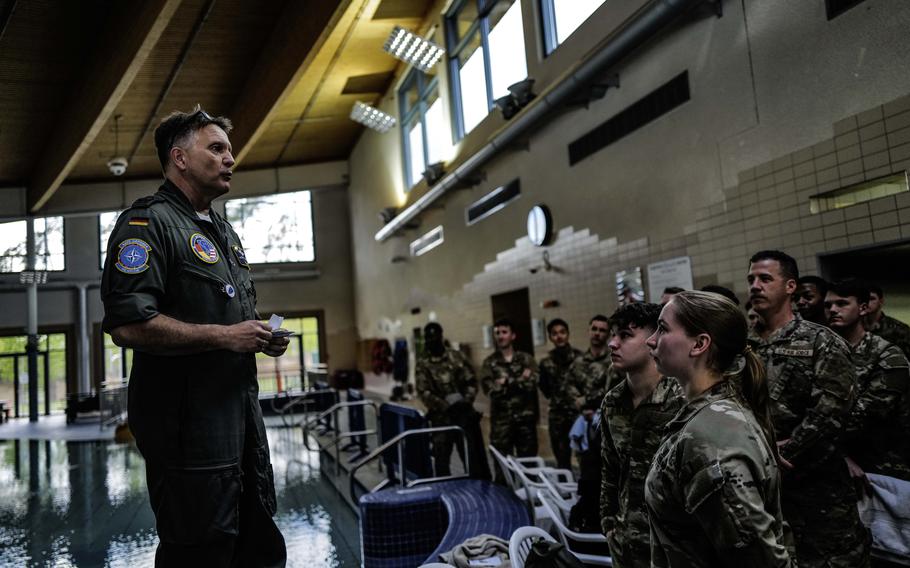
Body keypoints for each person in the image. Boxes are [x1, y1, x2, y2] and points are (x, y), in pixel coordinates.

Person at [101, 107, 288, 567]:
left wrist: (260, 336)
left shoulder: (224, 232)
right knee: (199, 553)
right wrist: (224, 336)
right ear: (180, 158)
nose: (231, 159)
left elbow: (228, 317)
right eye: (217, 148)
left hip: (241, 427)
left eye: (230, 150)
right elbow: (128, 324)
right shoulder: (147, 224)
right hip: (189, 436)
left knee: (258, 549)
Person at [644, 291, 791, 567]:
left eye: (662, 329)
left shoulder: (711, 437)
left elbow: (758, 558)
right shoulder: (703, 415)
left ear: (699, 344)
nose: (650, 340)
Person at [746, 250, 869, 567]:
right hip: (759, 493)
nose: (755, 286)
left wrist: (784, 453)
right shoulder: (741, 348)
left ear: (790, 287)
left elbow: (832, 410)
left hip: (818, 497)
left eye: (765, 279)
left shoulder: (820, 341)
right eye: (751, 280)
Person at [600, 302, 684, 567]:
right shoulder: (613, 401)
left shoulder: (681, 399)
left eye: (625, 335)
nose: (613, 344)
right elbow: (610, 469)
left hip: (674, 545)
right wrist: (608, 523)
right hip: (626, 542)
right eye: (613, 335)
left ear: (653, 340)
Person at [824, 279, 910, 483]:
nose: (833, 310)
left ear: (863, 308)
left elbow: (863, 418)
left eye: (842, 303)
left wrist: (815, 441)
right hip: (835, 464)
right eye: (828, 305)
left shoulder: (888, 356)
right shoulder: (825, 353)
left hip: (884, 468)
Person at [415, 322, 491, 479]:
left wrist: (465, 401)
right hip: (440, 420)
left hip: (463, 417)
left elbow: (471, 381)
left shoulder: (457, 357)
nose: (431, 341)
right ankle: (446, 495)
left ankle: (477, 493)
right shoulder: (423, 364)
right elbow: (424, 392)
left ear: (441, 337)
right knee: (441, 463)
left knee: (471, 460)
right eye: (428, 338)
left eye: (434, 336)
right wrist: (445, 405)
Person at [479, 319, 539, 464]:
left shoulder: (526, 359)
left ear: (513, 336)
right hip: (501, 424)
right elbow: (490, 390)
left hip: (525, 422)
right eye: (497, 333)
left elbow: (533, 383)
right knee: (502, 467)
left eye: (504, 332)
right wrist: (521, 379)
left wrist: (505, 382)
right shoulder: (490, 363)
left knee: (529, 466)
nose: (500, 336)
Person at [538, 318, 583, 470]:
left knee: (585, 458)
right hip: (557, 416)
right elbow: (544, 388)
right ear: (550, 337)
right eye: (555, 333)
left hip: (578, 415)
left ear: (568, 334)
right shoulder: (546, 363)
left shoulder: (580, 358)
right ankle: (565, 491)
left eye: (562, 332)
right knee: (562, 459)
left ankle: (586, 493)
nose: (559, 336)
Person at [568, 315, 619, 413]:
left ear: (608, 334)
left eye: (602, 330)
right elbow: (570, 388)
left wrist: (586, 401)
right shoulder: (578, 362)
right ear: (588, 331)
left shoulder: (615, 359)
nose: (597, 333)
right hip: (582, 416)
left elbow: (614, 391)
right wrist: (580, 406)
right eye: (594, 329)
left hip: (608, 415)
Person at [865, 284, 910, 359]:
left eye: (872, 299)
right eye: (864, 299)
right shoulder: (852, 327)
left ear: (881, 301)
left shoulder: (899, 330)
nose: (867, 302)